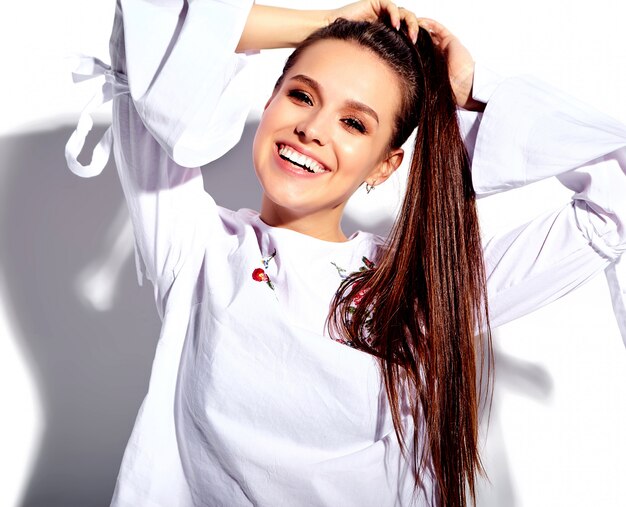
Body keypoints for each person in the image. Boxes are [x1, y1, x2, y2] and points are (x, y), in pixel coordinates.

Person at [65, 0, 626, 506]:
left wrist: (477, 88)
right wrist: (323, 26)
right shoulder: (197, 250)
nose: (311, 128)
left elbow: (615, 198)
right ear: (271, 100)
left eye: (354, 123)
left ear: (385, 165)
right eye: (302, 95)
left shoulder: (417, 285)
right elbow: (147, 30)